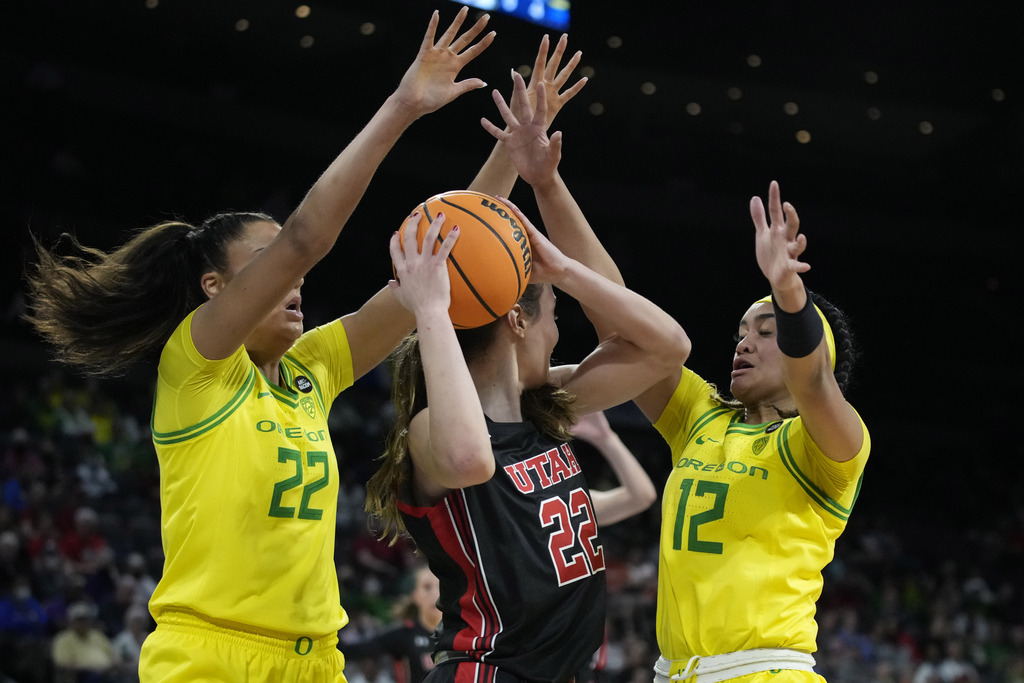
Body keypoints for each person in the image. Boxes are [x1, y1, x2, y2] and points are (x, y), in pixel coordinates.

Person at [25, 8, 497, 681]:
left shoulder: (312, 368)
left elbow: (452, 259)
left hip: (315, 659)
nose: (294, 276)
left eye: (292, 271)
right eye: (269, 263)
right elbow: (307, 237)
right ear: (217, 287)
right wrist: (402, 106)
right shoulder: (197, 364)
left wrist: (514, 151)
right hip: (211, 655)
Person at [486, 73, 870, 683]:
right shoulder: (702, 417)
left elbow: (815, 381)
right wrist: (546, 183)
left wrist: (789, 294)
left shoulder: (827, 447)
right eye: (744, 329)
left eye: (768, 331)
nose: (746, 340)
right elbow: (621, 319)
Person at [365, 132, 690, 683]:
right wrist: (433, 312)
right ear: (517, 321)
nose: (560, 334)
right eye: (555, 316)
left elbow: (667, 346)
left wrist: (562, 265)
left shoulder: (545, 407)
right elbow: (471, 458)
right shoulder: (429, 429)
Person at [343, 563, 442, 683]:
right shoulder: (404, 635)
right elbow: (357, 650)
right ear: (414, 595)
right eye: (427, 587)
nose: (435, 594)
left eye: (440, 587)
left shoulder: (459, 634)